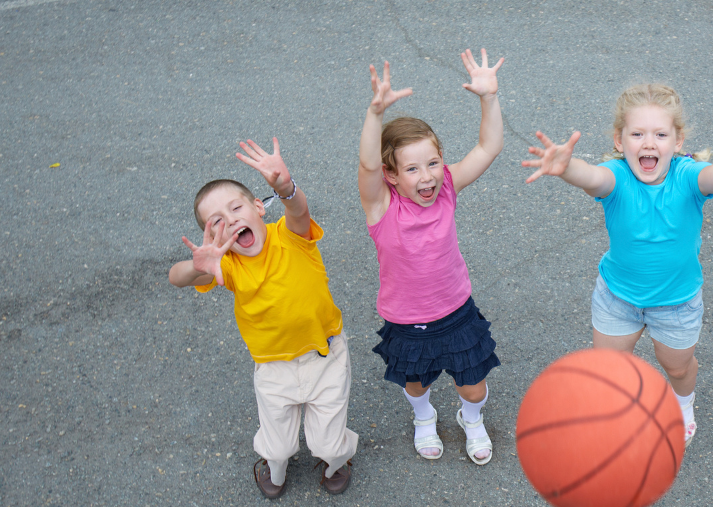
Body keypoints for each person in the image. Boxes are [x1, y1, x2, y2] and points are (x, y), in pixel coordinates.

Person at [523, 83, 713, 444]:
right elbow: (593, 177)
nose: (649, 143)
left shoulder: (687, 177)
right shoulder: (617, 177)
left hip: (677, 304)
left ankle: (683, 404)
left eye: (660, 134)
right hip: (618, 300)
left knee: (678, 366)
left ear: (678, 141)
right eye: (637, 134)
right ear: (620, 142)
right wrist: (566, 168)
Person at [168, 138, 357, 498]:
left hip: (325, 354)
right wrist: (195, 267)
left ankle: (336, 460)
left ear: (259, 207)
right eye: (217, 222)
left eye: (237, 207)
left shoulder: (290, 236)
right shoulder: (226, 266)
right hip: (272, 367)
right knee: (278, 448)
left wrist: (286, 188)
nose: (231, 220)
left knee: (330, 445)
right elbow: (175, 278)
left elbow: (299, 212)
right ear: (211, 236)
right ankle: (274, 465)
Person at [356, 49, 504, 465]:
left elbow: (489, 147)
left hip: (457, 312)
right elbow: (367, 163)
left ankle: (471, 419)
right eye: (413, 169)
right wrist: (374, 114)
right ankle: (424, 417)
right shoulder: (381, 208)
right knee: (416, 383)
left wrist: (489, 97)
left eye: (434, 163)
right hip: (408, 321)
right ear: (391, 175)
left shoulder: (449, 187)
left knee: (473, 386)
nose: (428, 177)